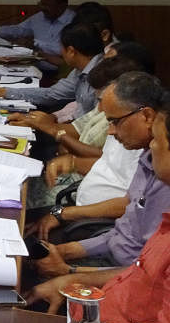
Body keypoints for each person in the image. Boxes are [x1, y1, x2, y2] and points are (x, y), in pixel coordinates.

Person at [24, 109, 170, 323]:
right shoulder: (151, 167)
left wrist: (71, 275)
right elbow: (127, 244)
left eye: (157, 140)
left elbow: (144, 286)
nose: (151, 145)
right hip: (112, 288)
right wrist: (68, 260)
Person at [29, 72, 170, 278]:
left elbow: (147, 276)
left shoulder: (163, 181)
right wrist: (66, 251)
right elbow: (122, 233)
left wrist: (72, 273)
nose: (110, 131)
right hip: (107, 256)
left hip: (119, 278)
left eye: (115, 122)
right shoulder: (148, 158)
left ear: (147, 116)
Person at [19, 56, 144, 214]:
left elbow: (132, 203)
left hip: (85, 209)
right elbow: (105, 160)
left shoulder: (137, 138)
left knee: (18, 204)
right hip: (76, 194)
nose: (110, 129)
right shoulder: (118, 122)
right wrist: (73, 161)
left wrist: (65, 215)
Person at [0, 23, 104, 116]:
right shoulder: (81, 70)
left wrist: (55, 129)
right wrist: (3, 92)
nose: (60, 52)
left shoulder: (103, 75)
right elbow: (51, 94)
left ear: (71, 51)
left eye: (61, 47)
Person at [0, 0, 75, 58]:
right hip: (34, 63)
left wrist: (35, 44)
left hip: (58, 69)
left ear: (62, 6)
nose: (43, 8)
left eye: (47, 5)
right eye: (41, 4)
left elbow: (63, 50)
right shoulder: (40, 17)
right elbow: (20, 29)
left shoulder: (73, 21)